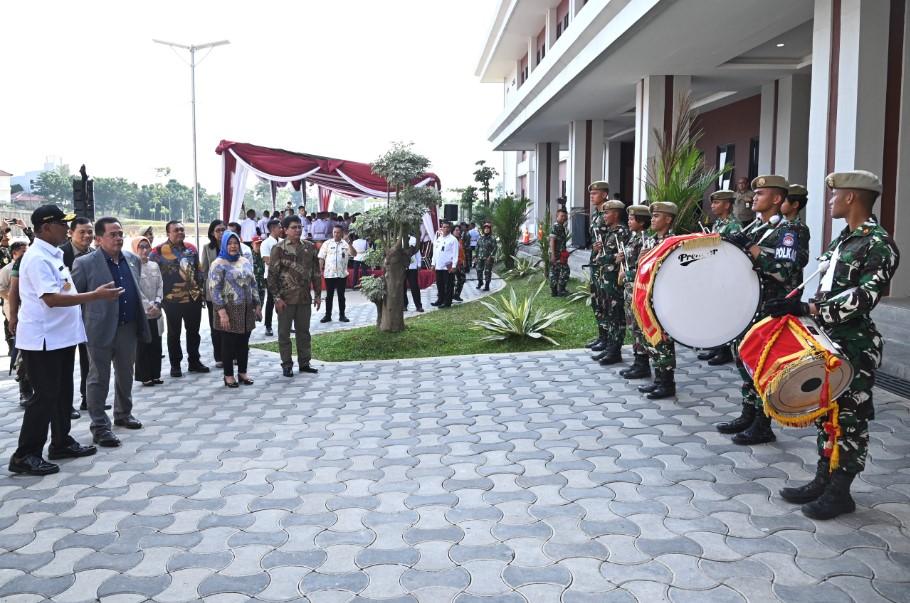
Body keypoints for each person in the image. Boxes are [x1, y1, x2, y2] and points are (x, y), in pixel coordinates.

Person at [768, 170, 899, 520]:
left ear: (851, 198)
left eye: (834, 195)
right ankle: (823, 478)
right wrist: (797, 306)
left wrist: (810, 307)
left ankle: (841, 491)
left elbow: (864, 297)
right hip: (828, 340)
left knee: (851, 418)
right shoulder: (843, 240)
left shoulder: (878, 244)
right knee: (828, 413)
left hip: (855, 344)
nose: (830, 201)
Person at [8, 205, 123, 476]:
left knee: (61, 393)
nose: (66, 229)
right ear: (46, 228)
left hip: (61, 337)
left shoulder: (52, 254)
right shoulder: (36, 258)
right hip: (43, 339)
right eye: (62, 224)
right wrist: (94, 296)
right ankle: (25, 454)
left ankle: (61, 442)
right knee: (44, 397)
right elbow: (51, 299)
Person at [716, 175, 801, 445]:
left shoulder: (788, 231)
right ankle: (748, 413)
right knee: (744, 360)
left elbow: (784, 271)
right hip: (747, 306)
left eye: (761, 193)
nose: (754, 198)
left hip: (768, 307)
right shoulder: (755, 226)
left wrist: (752, 250)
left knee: (761, 365)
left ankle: (763, 424)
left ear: (777, 199)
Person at [72, 217, 150, 448]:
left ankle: (123, 414)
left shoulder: (132, 259)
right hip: (99, 329)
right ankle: (99, 426)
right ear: (98, 239)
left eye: (120, 233)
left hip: (128, 326)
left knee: (126, 373)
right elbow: (74, 297)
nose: (118, 238)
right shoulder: (85, 263)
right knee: (98, 378)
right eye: (112, 234)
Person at [150, 221, 209, 378]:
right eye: (176, 230)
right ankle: (175, 365)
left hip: (193, 298)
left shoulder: (191, 248)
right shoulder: (157, 252)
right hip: (171, 300)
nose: (180, 232)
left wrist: (201, 291)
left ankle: (194, 361)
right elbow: (152, 276)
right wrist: (159, 298)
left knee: (194, 332)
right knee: (174, 334)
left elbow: (199, 270)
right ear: (168, 233)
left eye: (182, 230)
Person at [268, 215, 322, 377]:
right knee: (284, 333)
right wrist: (276, 298)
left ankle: (304, 362)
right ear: (285, 230)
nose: (298, 230)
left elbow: (316, 272)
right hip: (285, 299)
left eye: (299, 227)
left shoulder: (309, 247)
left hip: (304, 297)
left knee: (303, 332)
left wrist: (318, 294)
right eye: (294, 227)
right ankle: (286, 364)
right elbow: (272, 276)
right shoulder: (278, 248)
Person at [208, 231, 262, 388]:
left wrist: (257, 304)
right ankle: (228, 375)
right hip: (228, 310)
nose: (233, 246)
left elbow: (253, 283)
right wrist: (222, 312)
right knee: (228, 344)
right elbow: (214, 290)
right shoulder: (218, 264)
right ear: (224, 245)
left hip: (245, 309)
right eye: (230, 243)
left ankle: (243, 372)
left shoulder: (245, 261)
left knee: (243, 343)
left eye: (236, 243)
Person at [636, 202, 678, 399]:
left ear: (668, 219)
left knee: (664, 340)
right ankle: (658, 379)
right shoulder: (652, 240)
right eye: (652, 216)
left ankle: (667, 382)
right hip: (649, 297)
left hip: (667, 297)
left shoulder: (674, 242)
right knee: (652, 338)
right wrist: (642, 258)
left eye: (657, 216)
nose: (652, 219)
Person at [697, 190, 742, 366]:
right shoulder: (718, 224)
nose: (713, 206)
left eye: (717, 203)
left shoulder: (734, 226)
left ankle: (724, 351)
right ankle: (717, 347)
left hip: (727, 274)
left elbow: (734, 253)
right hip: (715, 273)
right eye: (713, 203)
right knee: (716, 311)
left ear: (727, 205)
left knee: (725, 312)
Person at [588, 181, 629, 366]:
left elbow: (621, 256)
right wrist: (597, 251)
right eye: (604, 213)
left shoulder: (621, 231)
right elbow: (603, 250)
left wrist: (605, 257)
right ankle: (608, 344)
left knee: (615, 314)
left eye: (607, 212)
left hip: (613, 278)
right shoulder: (609, 228)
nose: (604, 215)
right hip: (604, 275)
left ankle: (613, 348)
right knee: (605, 308)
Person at [60, 217, 96, 417]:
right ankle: (66, 405)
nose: (87, 236)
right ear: (70, 233)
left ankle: (87, 399)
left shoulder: (94, 254)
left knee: (88, 360)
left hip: (88, 315)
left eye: (90, 231)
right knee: (65, 363)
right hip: (64, 316)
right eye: (82, 232)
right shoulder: (60, 254)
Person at [617, 204, 651, 380]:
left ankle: (643, 364)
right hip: (629, 289)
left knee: (639, 328)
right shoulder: (633, 238)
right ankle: (638, 361)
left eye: (632, 219)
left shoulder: (645, 240)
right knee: (633, 327)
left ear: (641, 221)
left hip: (638, 288)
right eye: (629, 218)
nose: (629, 221)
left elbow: (643, 268)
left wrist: (626, 273)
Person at [132, 236, 164, 388]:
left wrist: (157, 303)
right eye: (141, 247)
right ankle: (145, 375)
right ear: (135, 249)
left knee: (156, 344)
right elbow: (136, 290)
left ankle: (156, 374)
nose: (145, 250)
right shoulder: (133, 266)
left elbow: (160, 286)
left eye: (147, 247)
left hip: (156, 310)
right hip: (143, 312)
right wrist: (149, 306)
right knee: (144, 344)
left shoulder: (154, 265)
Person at [200, 220, 227, 368]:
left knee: (231, 324)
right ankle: (219, 357)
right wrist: (204, 293)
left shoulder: (232, 245)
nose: (221, 233)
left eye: (223, 229)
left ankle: (232, 353)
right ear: (212, 233)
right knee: (216, 326)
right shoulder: (207, 248)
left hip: (231, 293)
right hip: (213, 294)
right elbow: (204, 271)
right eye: (218, 230)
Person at [782, 184, 812, 292]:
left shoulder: (799, 228)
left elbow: (801, 259)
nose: (780, 204)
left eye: (784, 201)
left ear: (795, 204)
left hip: (789, 286)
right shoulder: (777, 225)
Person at [318, 225, 351, 323]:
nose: (336, 234)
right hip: (330, 274)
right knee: (329, 296)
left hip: (342, 274)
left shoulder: (345, 244)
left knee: (341, 295)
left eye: (338, 232)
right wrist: (320, 270)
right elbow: (321, 257)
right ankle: (327, 316)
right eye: (334, 232)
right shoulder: (327, 243)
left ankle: (342, 315)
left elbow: (354, 254)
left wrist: (349, 243)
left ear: (342, 233)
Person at [0, 242, 27, 355]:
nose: (26, 254)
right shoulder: (7, 269)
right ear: (14, 253)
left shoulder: (28, 265)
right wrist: (14, 298)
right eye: (23, 251)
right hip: (13, 306)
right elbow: (1, 288)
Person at [260, 219, 283, 337]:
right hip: (270, 276)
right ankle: (268, 326)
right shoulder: (266, 243)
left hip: (283, 277)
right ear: (273, 229)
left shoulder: (283, 241)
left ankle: (284, 324)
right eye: (279, 227)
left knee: (284, 299)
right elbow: (266, 259)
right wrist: (282, 264)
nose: (281, 229)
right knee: (271, 301)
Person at [431, 222, 458, 308]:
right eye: (443, 227)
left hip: (448, 267)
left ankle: (447, 302)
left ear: (450, 229)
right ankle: (440, 300)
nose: (445, 229)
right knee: (440, 284)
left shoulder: (453, 240)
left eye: (447, 227)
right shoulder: (439, 239)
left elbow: (455, 254)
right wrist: (433, 263)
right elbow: (435, 252)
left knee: (448, 285)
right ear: (441, 228)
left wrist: (454, 266)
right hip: (439, 266)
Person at [548, 208, 570, 297]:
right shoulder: (556, 227)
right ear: (557, 216)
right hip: (556, 254)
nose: (563, 218)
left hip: (560, 254)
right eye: (561, 216)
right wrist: (553, 255)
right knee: (564, 271)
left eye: (565, 216)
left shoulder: (561, 227)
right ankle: (561, 291)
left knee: (555, 271)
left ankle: (555, 291)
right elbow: (552, 240)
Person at [404, 234, 424, 312]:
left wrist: (419, 264)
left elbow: (417, 252)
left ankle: (418, 306)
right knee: (402, 287)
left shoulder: (413, 239)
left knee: (414, 286)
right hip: (402, 266)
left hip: (412, 266)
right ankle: (404, 305)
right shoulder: (398, 239)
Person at [474, 223, 497, 291]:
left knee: (487, 272)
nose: (486, 230)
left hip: (488, 258)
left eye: (488, 228)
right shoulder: (480, 238)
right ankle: (480, 282)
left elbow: (495, 248)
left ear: (490, 230)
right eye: (485, 228)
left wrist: (491, 256)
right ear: (483, 229)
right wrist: (475, 256)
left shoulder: (492, 238)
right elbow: (477, 247)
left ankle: (487, 286)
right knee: (478, 270)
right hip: (480, 257)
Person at [452, 225, 467, 302]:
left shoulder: (460, 240)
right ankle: (449, 295)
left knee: (462, 279)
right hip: (453, 264)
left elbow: (462, 252)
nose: (458, 232)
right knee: (451, 280)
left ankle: (457, 295)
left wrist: (464, 261)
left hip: (460, 263)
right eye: (456, 230)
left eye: (459, 230)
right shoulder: (451, 240)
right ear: (453, 231)